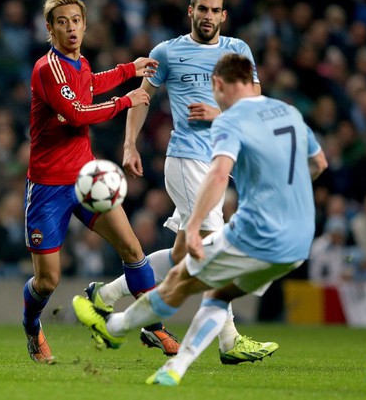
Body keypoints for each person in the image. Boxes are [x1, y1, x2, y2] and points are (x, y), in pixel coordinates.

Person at [73, 53, 328, 386]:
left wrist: (193, 225)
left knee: (182, 279)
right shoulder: (289, 113)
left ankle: (113, 326)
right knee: (215, 290)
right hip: (299, 241)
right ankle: (187, 360)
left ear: (218, 84)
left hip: (258, 232)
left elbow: (219, 174)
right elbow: (319, 164)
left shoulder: (231, 121)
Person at [84, 0, 273, 362]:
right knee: (216, 248)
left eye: (214, 10)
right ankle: (229, 340)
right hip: (187, 160)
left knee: (181, 254)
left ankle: (104, 296)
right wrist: (129, 144)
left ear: (224, 15)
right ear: (191, 11)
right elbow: (142, 97)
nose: (207, 16)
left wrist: (220, 114)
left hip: (219, 162)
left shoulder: (238, 50)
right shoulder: (167, 52)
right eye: (202, 9)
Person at [22, 0, 178, 365]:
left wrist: (129, 70)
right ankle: (32, 326)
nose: (71, 28)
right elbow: (78, 112)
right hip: (47, 187)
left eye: (76, 20)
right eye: (62, 22)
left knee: (133, 250)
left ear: (85, 24)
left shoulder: (80, 64)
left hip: (86, 179)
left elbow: (90, 84)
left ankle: (152, 326)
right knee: (48, 280)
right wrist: (126, 100)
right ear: (50, 29)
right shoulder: (47, 69)